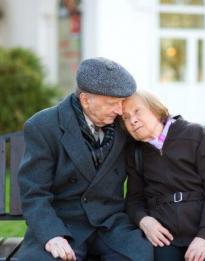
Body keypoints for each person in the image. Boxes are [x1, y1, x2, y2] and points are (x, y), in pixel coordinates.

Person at [16, 58, 153, 261]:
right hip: (63, 223)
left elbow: (159, 124)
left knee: (141, 256)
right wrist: (52, 235)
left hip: (110, 224)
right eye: (112, 103)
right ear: (86, 99)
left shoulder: (123, 122)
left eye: (122, 102)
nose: (119, 110)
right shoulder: (43, 126)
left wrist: (196, 145)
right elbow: (33, 193)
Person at [122, 91, 205, 261]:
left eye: (137, 111)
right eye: (125, 118)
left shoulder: (194, 134)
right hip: (166, 238)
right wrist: (144, 221)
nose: (132, 120)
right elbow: (134, 201)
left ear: (156, 109)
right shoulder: (136, 152)